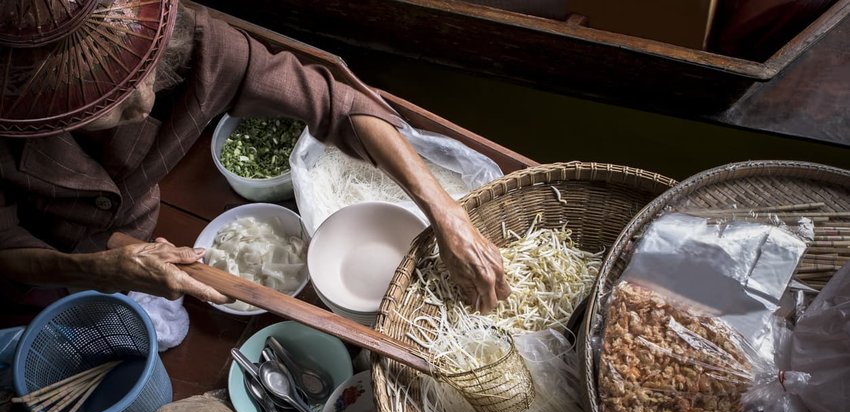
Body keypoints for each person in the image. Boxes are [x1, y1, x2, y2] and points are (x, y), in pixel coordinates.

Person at [0, 0, 509, 314]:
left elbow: (339, 106)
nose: (139, 101)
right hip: (45, 261)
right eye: (100, 100)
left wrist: (446, 212)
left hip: (140, 227)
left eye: (142, 72)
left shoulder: (193, 43)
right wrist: (98, 269)